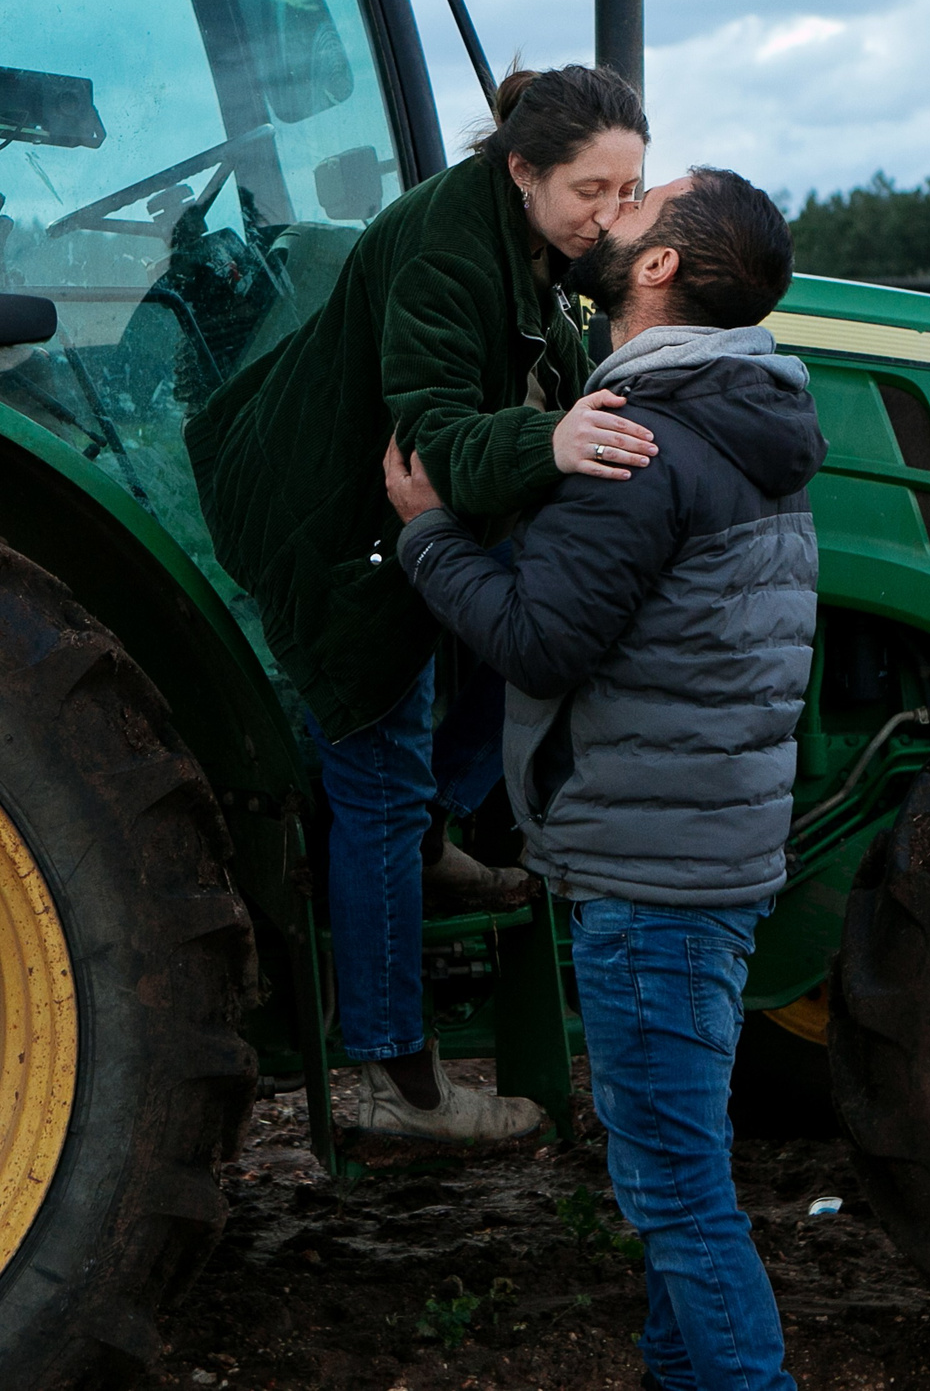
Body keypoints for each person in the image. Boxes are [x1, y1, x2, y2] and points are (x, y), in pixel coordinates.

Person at [383, 166, 819, 1391]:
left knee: (676, 1193)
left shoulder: (638, 446)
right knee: (679, 1169)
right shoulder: (743, 421)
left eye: (635, 206)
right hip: (705, 854)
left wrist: (426, 536)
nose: (605, 214)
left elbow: (536, 638)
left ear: (660, 267)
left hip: (651, 874)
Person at [186, 64, 665, 1141]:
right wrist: (553, 440)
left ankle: (426, 834)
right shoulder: (446, 249)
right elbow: (437, 433)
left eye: (628, 190)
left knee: (523, 632)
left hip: (389, 518)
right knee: (378, 770)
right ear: (521, 171)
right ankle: (398, 1082)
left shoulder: (541, 243)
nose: (613, 214)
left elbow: (554, 359)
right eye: (593, 190)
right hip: (335, 528)